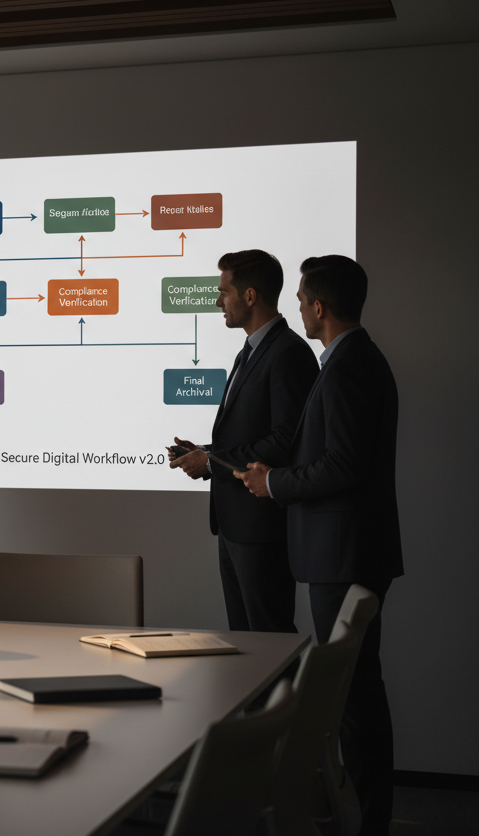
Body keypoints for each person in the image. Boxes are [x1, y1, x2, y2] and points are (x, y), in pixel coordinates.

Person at [236, 255, 402, 835]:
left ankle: (365, 818)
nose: (300, 307)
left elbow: (345, 465)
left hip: (344, 553)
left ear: (319, 307)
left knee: (354, 697)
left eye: (303, 298)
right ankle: (358, 814)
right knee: (354, 693)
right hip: (342, 550)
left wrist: (274, 482)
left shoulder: (351, 365)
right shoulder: (349, 360)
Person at [169, 250, 319, 633]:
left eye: (224, 292)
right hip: (236, 526)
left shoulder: (288, 354)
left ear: (249, 297)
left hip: (262, 529)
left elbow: (288, 441)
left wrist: (213, 460)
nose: (219, 301)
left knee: (268, 645)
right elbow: (251, 433)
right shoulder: (250, 350)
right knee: (245, 647)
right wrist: (203, 454)